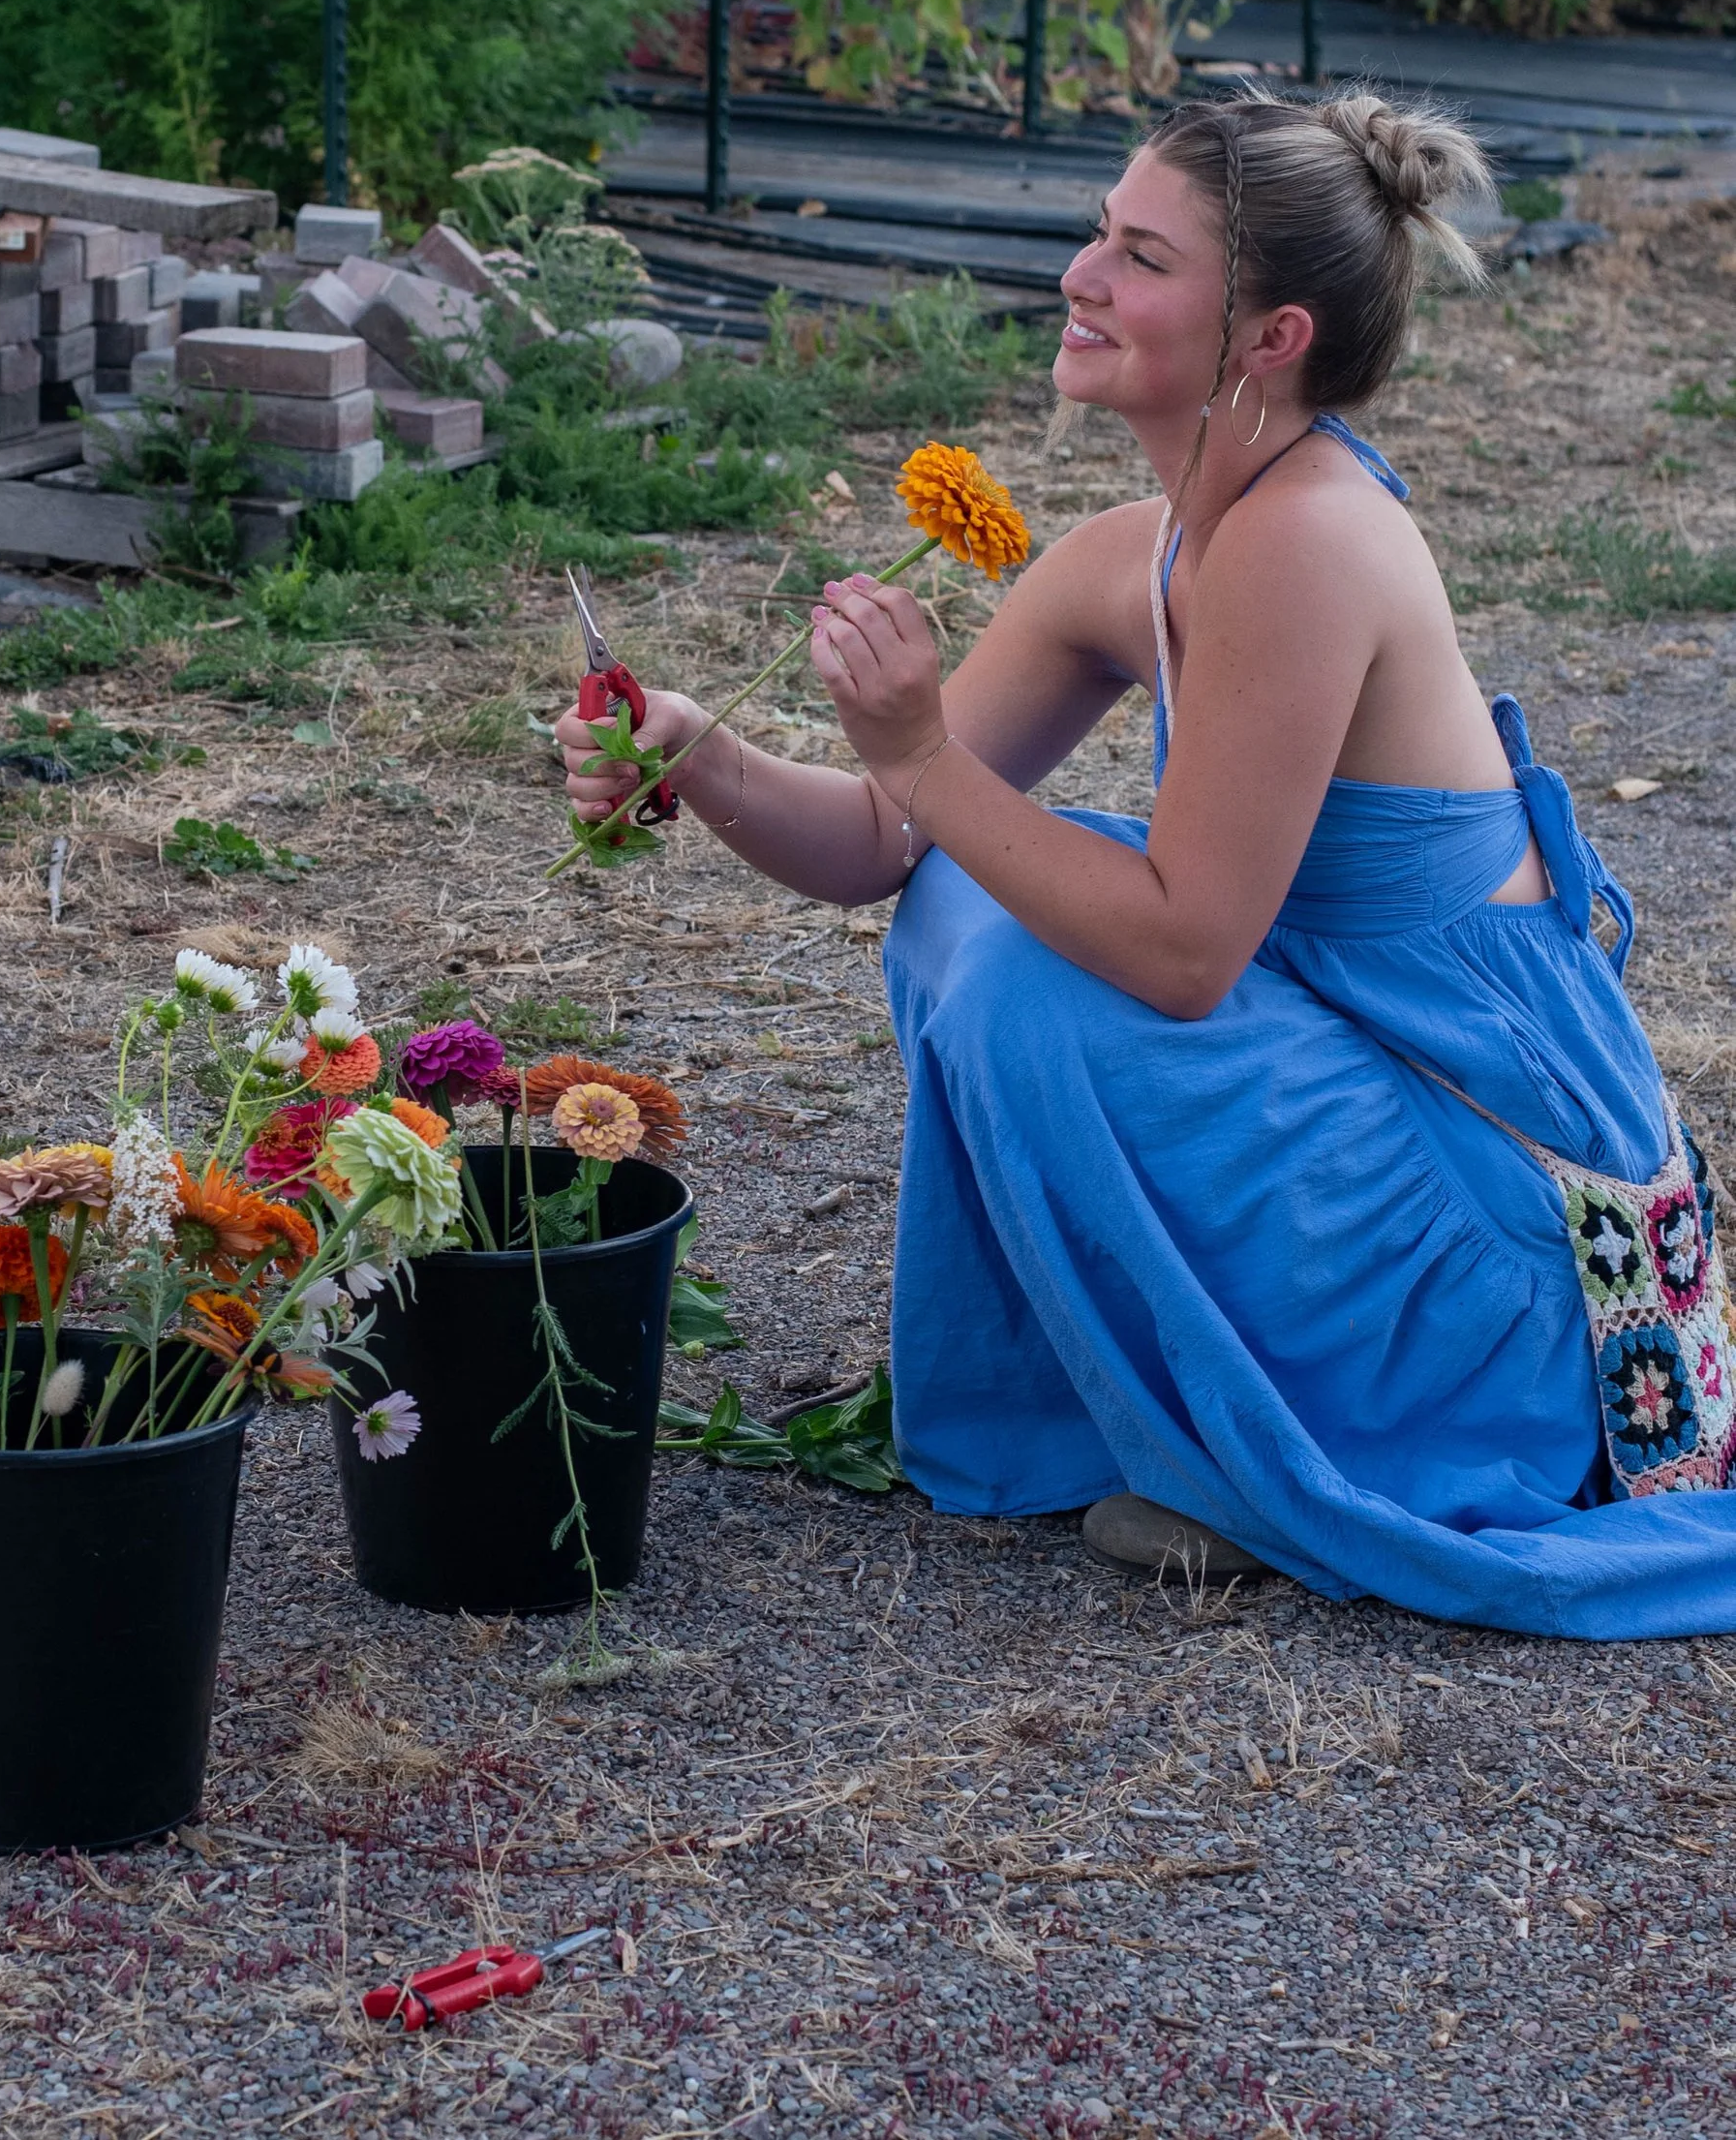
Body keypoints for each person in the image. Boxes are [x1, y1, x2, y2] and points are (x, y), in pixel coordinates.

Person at [561, 94, 1736, 1636]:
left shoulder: (1308, 539)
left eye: (1139, 255)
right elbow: (876, 841)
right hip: (1392, 1122)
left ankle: (1310, 1448)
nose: (1080, 277)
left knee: (1037, 961)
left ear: (1267, 335)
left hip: (1525, 1247)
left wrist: (921, 754)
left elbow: (1182, 952)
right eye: (1097, 234)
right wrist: (696, 749)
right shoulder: (1144, 548)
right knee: (975, 900)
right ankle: (1178, 1404)